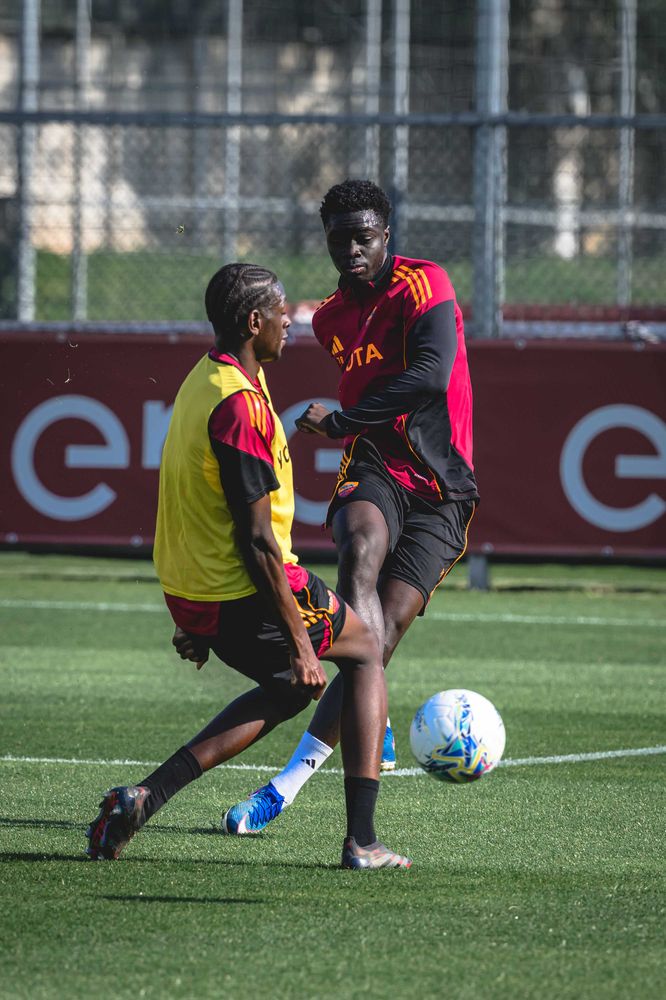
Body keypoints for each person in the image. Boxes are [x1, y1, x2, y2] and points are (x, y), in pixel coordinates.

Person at [84, 261, 411, 871]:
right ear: (254, 321)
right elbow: (259, 541)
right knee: (366, 650)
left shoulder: (206, 379)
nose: (293, 318)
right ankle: (362, 842)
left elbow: (191, 501)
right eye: (283, 309)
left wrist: (192, 615)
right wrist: (300, 641)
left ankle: (144, 798)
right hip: (241, 588)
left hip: (196, 589)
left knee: (288, 692)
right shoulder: (240, 407)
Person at [220, 179, 479, 836]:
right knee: (358, 549)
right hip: (374, 467)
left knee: (379, 639)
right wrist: (352, 430)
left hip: (442, 489)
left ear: (385, 235)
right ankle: (316, 778)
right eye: (341, 239)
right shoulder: (332, 318)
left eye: (364, 237)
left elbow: (429, 375)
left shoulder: (426, 284)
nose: (353, 249)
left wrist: (342, 419)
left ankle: (309, 766)